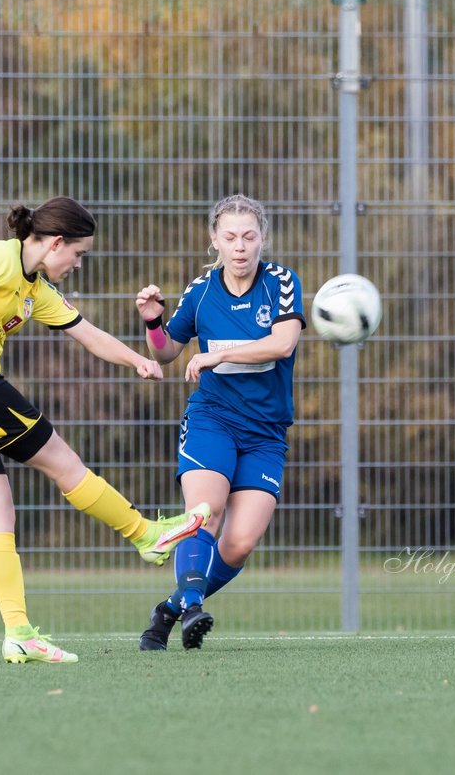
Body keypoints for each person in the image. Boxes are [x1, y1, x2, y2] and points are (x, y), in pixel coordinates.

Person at [0, 196, 211, 665]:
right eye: (78, 254)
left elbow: (87, 334)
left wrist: (139, 360)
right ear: (56, 242)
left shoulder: (35, 290)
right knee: (64, 464)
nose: (79, 264)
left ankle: (18, 633)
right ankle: (145, 534)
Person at [133, 194, 304, 650]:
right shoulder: (202, 289)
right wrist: (154, 322)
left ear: (262, 238)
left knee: (240, 543)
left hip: (265, 432)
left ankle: (170, 608)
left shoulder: (282, 281)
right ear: (215, 241)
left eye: (249, 236)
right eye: (230, 237)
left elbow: (282, 344)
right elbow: (167, 351)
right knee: (204, 516)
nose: (240, 246)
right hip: (213, 419)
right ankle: (191, 608)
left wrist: (213, 355)